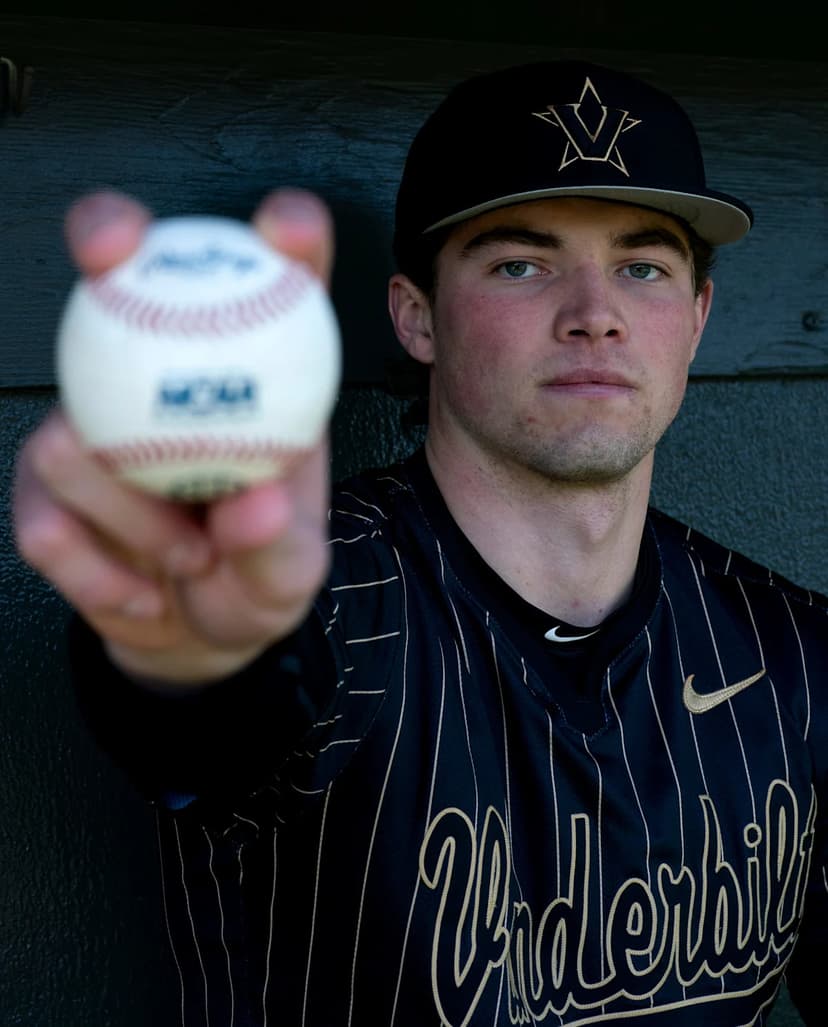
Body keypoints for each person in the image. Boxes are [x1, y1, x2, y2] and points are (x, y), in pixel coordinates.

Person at [13, 60, 827, 1025]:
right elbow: (208, 707)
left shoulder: (793, 652)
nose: (595, 315)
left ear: (695, 319)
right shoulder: (330, 603)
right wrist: (183, 643)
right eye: (521, 264)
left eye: (642, 267)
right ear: (417, 316)